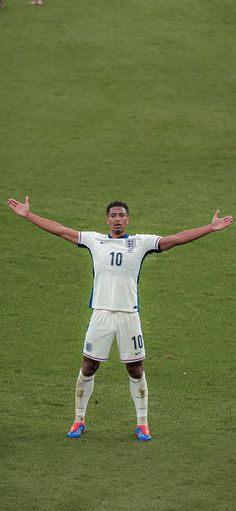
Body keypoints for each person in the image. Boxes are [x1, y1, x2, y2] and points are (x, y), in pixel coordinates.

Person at [7, 196, 233, 441]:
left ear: (128, 219)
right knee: (88, 366)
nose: (117, 219)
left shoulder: (141, 242)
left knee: (136, 369)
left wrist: (210, 228)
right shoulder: (95, 240)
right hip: (101, 315)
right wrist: (28, 215)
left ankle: (143, 424)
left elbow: (175, 240)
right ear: (107, 220)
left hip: (128, 316)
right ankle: (78, 420)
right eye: (113, 215)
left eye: (121, 215)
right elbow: (60, 230)